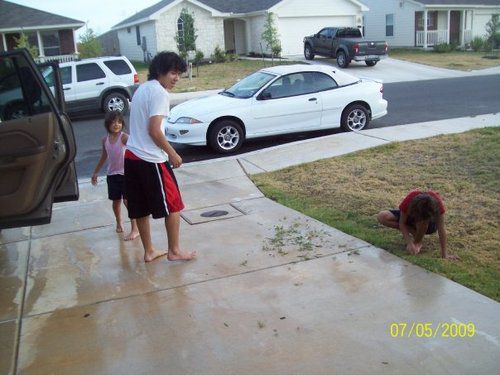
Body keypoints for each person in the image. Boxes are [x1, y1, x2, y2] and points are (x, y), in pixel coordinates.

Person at [124, 51, 196, 263]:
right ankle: (174, 250)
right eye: (173, 73)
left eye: (179, 74)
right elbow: (155, 130)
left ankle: (149, 251)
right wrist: (173, 154)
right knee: (174, 205)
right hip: (150, 159)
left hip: (132, 155)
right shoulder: (159, 93)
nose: (176, 78)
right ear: (160, 71)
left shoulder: (142, 89)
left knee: (140, 206)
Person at [91, 111, 139, 241]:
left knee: (127, 201)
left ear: (122, 123)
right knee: (116, 201)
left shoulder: (124, 137)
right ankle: (119, 222)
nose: (116, 124)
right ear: (107, 125)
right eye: (113, 122)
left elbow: (136, 148)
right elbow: (104, 156)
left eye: (118, 122)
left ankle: (135, 228)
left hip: (126, 174)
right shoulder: (105, 140)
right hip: (112, 175)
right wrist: (95, 172)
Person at [377, 190, 459, 260]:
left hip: (429, 226)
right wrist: (409, 242)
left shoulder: (437, 205)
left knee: (422, 222)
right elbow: (402, 223)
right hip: (412, 218)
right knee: (382, 216)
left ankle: (417, 242)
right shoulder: (409, 199)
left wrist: (444, 254)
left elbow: (441, 229)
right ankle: (414, 234)